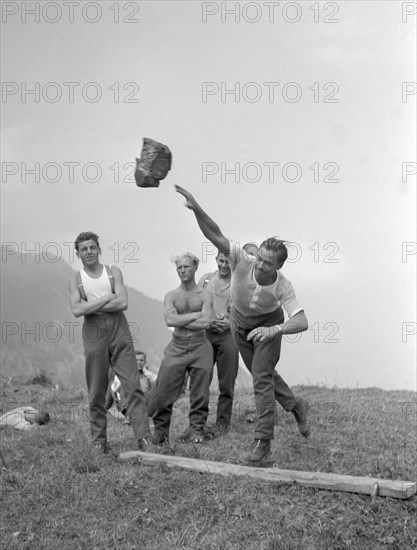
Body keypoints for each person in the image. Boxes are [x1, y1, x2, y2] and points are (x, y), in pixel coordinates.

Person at [175, 186, 311, 464]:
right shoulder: (241, 258)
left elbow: (302, 320)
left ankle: (262, 441)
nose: (260, 265)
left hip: (268, 326)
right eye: (259, 257)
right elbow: (215, 234)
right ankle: (295, 405)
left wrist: (275, 330)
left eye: (267, 263)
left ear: (279, 266)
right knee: (266, 374)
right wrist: (197, 208)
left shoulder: (283, 286)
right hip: (238, 325)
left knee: (260, 377)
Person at [69, 231, 152, 453]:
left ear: (99, 250)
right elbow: (77, 310)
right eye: (84, 249)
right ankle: (99, 441)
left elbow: (123, 302)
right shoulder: (77, 278)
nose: (89, 252)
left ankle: (143, 437)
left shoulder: (113, 272)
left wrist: (92, 304)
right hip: (93, 331)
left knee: (132, 385)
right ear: (78, 254)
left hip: (118, 328)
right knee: (97, 390)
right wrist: (107, 297)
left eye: (92, 247)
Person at [151, 252, 213, 445]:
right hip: (176, 345)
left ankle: (196, 429)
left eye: (186, 266)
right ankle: (160, 432)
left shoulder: (205, 295)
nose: (182, 270)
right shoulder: (171, 295)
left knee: (200, 391)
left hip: (200, 345)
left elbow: (207, 322)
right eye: (179, 267)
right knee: (164, 389)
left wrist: (182, 319)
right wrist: (195, 315)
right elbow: (169, 319)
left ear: (195, 267)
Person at [198, 252, 239, 434]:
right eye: (221, 261)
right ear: (216, 260)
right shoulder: (205, 280)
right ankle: (197, 423)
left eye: (227, 262)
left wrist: (230, 323)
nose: (224, 265)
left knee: (227, 383)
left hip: (229, 335)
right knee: (201, 379)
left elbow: (246, 311)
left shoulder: (239, 285)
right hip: (206, 333)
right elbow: (195, 303)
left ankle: (222, 425)